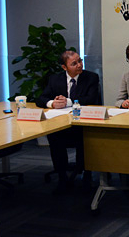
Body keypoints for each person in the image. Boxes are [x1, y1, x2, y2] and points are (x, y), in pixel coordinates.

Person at [35, 50, 99, 193]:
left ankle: (86, 175)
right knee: (54, 136)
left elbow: (91, 99)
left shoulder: (91, 77)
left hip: (82, 123)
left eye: (80, 61)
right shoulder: (54, 79)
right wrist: (52, 103)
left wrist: (68, 102)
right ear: (64, 67)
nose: (79, 65)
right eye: (74, 63)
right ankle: (62, 176)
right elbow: (41, 98)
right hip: (62, 124)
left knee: (84, 137)